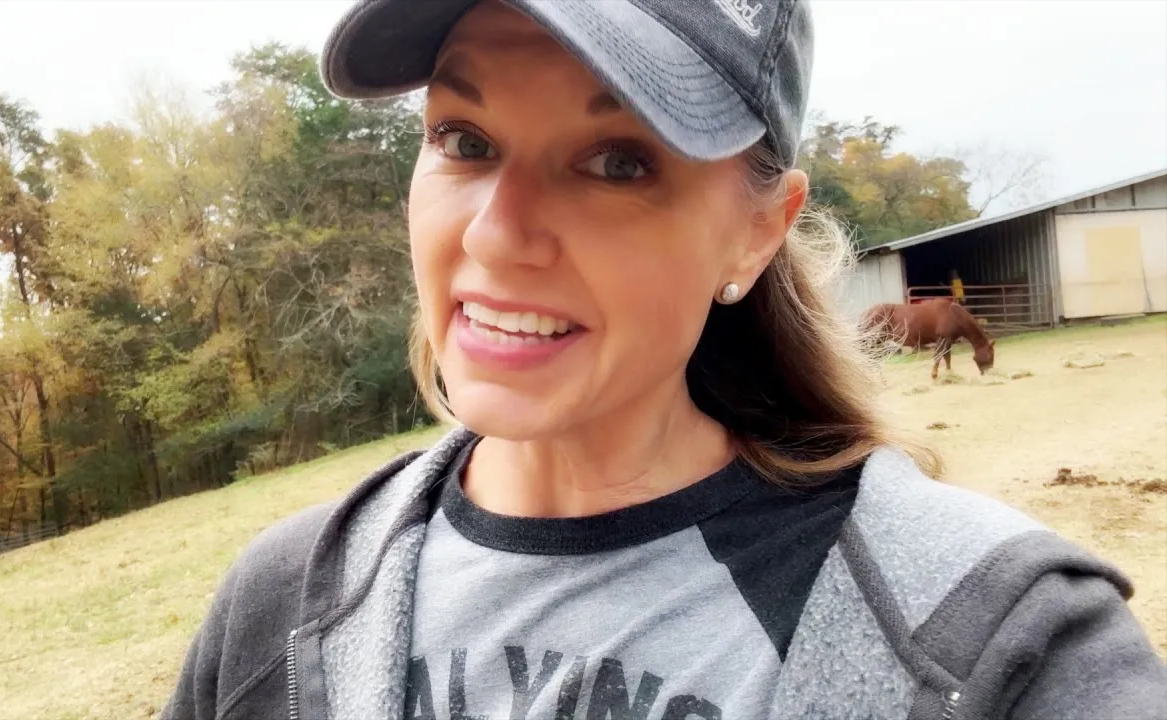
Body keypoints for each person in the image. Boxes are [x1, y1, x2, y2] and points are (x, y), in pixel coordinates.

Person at [162, 1, 1166, 718]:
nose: (496, 235)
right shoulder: (277, 603)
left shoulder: (990, 639)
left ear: (758, 231)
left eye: (617, 162)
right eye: (463, 139)